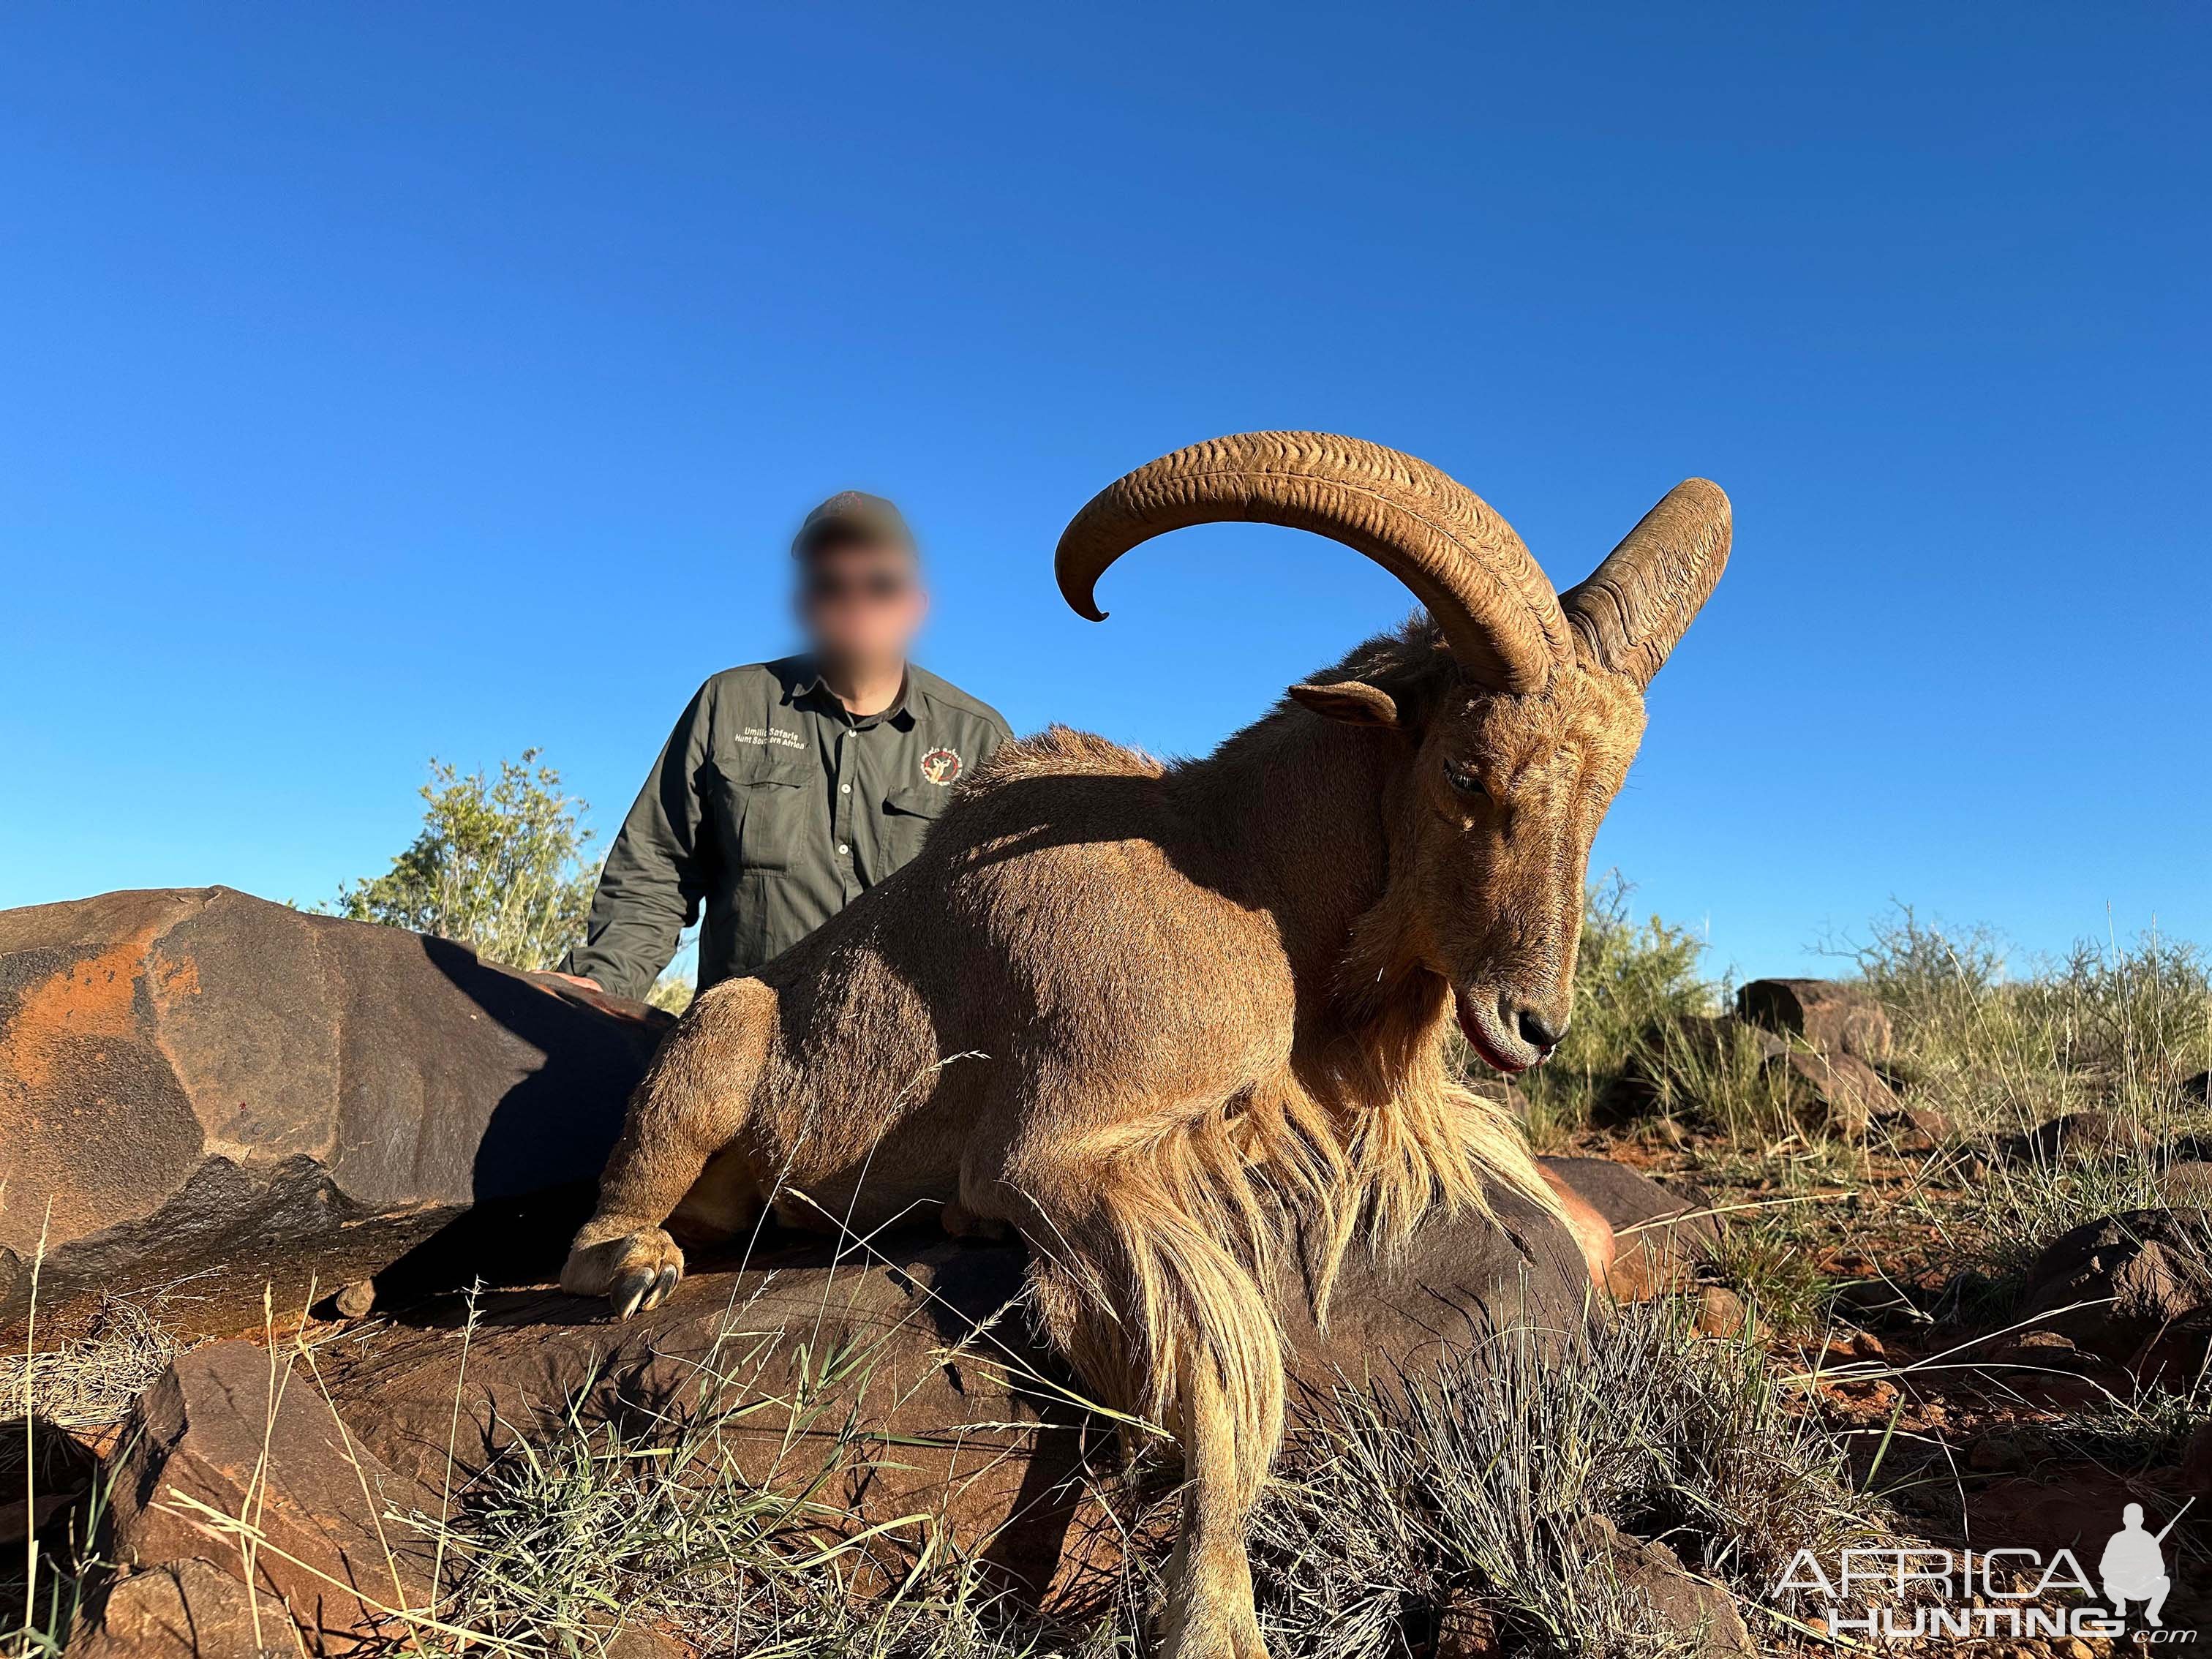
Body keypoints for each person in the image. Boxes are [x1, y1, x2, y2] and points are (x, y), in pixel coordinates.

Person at [556, 491, 1012, 1001]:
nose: (855, 600)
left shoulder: (979, 739)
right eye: (830, 584)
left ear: (914, 607)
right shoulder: (728, 703)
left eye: (880, 585)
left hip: (904, 1052)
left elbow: (1000, 918)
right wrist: (602, 981)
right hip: (739, 1041)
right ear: (804, 603)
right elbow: (657, 865)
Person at [2099, 1502, 2171, 1627]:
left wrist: (2146, 1572)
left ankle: (2152, 1613)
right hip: (2120, 1586)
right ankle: (2120, 1604)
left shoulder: (2148, 1539)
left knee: (2165, 1581)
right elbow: (2104, 1567)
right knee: (2108, 1581)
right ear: (2124, 1520)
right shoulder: (2117, 1539)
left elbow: (2160, 1569)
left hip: (2142, 1586)